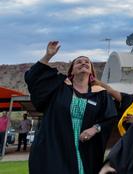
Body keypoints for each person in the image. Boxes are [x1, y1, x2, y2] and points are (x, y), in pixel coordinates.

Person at [25, 41, 117, 174]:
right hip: (54, 147)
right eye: (78, 62)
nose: (83, 63)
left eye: (87, 62)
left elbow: (110, 118)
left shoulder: (100, 94)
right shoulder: (58, 88)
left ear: (91, 71)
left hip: (85, 150)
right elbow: (32, 77)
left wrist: (95, 129)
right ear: (72, 71)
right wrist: (47, 56)